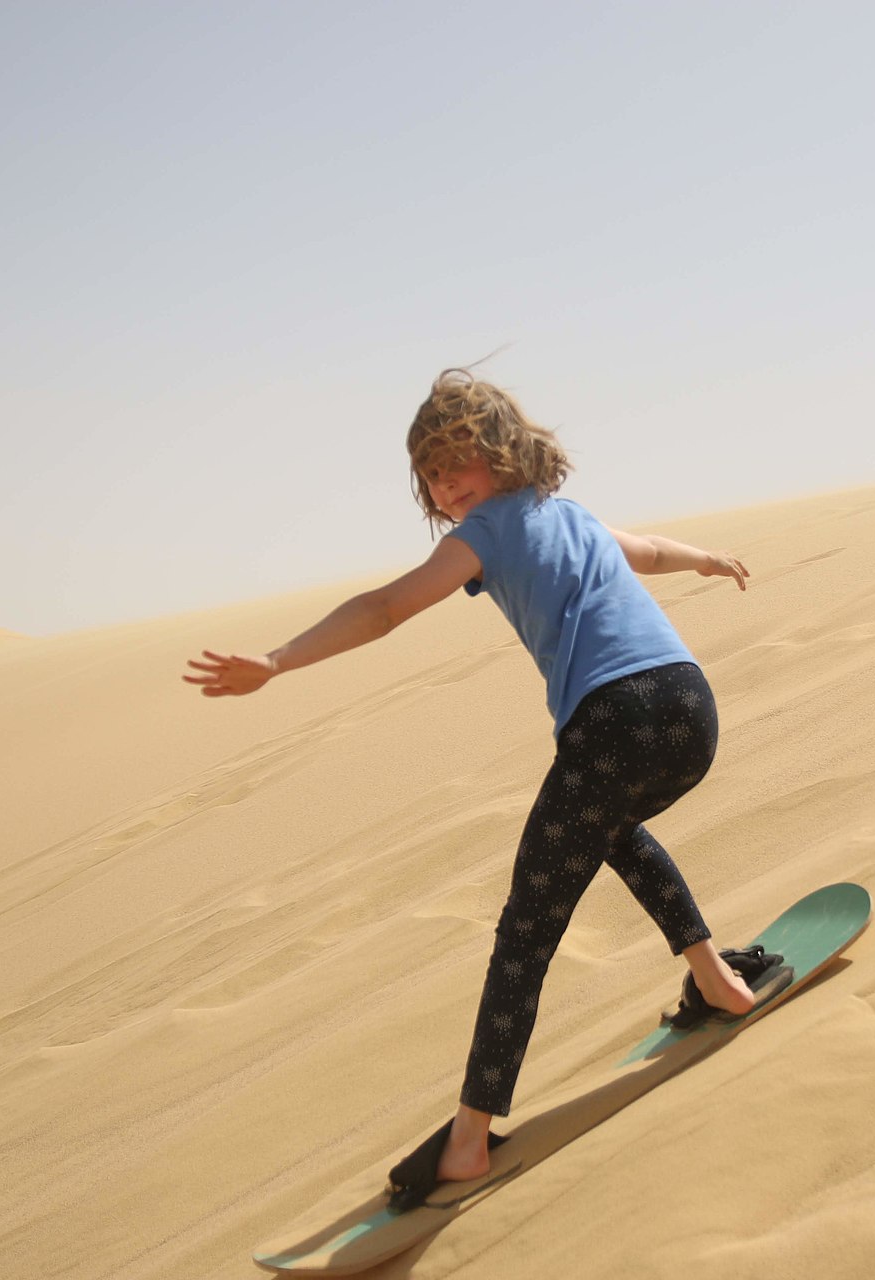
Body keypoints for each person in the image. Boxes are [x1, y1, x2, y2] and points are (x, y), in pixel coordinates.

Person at [183, 367, 788, 1203]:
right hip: (690, 709)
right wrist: (709, 560)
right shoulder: (570, 515)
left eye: (454, 459)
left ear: (502, 450)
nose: (443, 482)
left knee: (527, 926)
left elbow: (387, 607)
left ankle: (470, 1137)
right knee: (610, 830)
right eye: (429, 472)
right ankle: (715, 976)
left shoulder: (489, 533)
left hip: (613, 722)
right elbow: (644, 550)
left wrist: (280, 661)